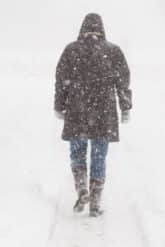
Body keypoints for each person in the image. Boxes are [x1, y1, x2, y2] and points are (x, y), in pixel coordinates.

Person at [54, 13, 132, 217]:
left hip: (77, 111)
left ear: (82, 28)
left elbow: (61, 80)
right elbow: (123, 81)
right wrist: (125, 107)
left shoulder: (71, 50)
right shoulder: (113, 51)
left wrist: (59, 105)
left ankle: (82, 189)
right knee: (99, 156)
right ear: (102, 29)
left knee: (77, 153)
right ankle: (95, 202)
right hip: (103, 113)